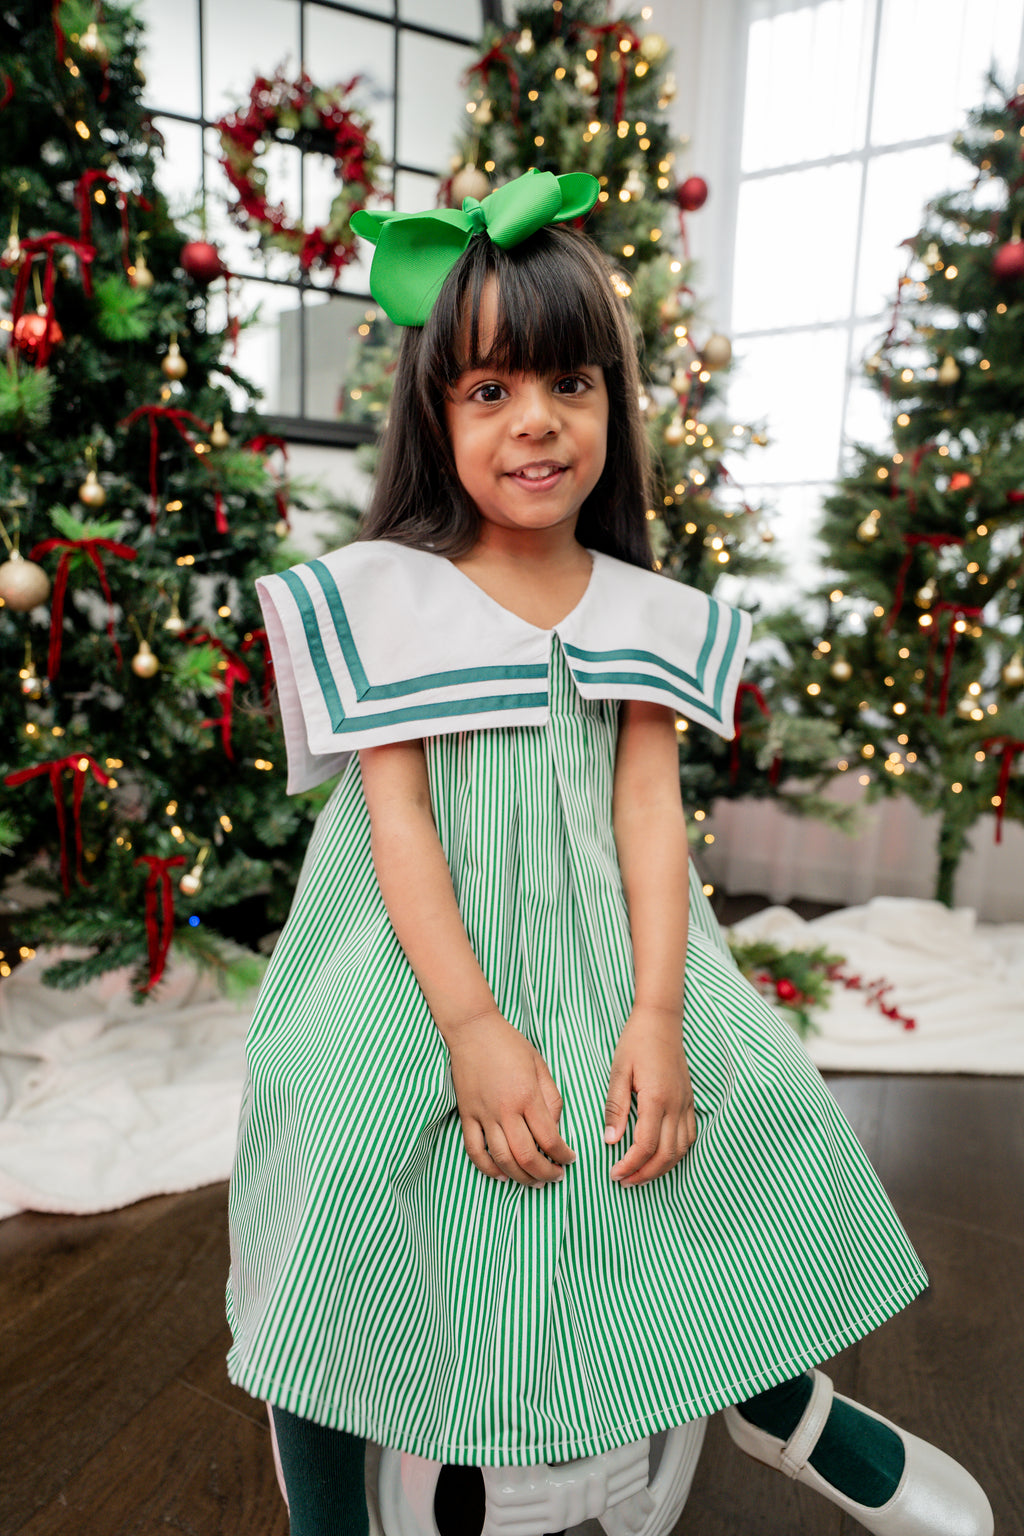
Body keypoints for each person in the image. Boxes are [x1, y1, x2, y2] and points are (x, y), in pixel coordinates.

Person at [226, 170, 992, 1536]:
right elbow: (395, 819)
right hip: (418, 947)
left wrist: (655, 1011)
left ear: (611, 406)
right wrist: (467, 1025)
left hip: (601, 938)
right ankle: (329, 1496)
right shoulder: (387, 595)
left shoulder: (647, 609)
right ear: (435, 413)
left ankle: (780, 1406)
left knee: (743, 1101)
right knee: (342, 1144)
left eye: (569, 384)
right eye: (490, 391)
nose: (536, 421)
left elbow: (646, 805)